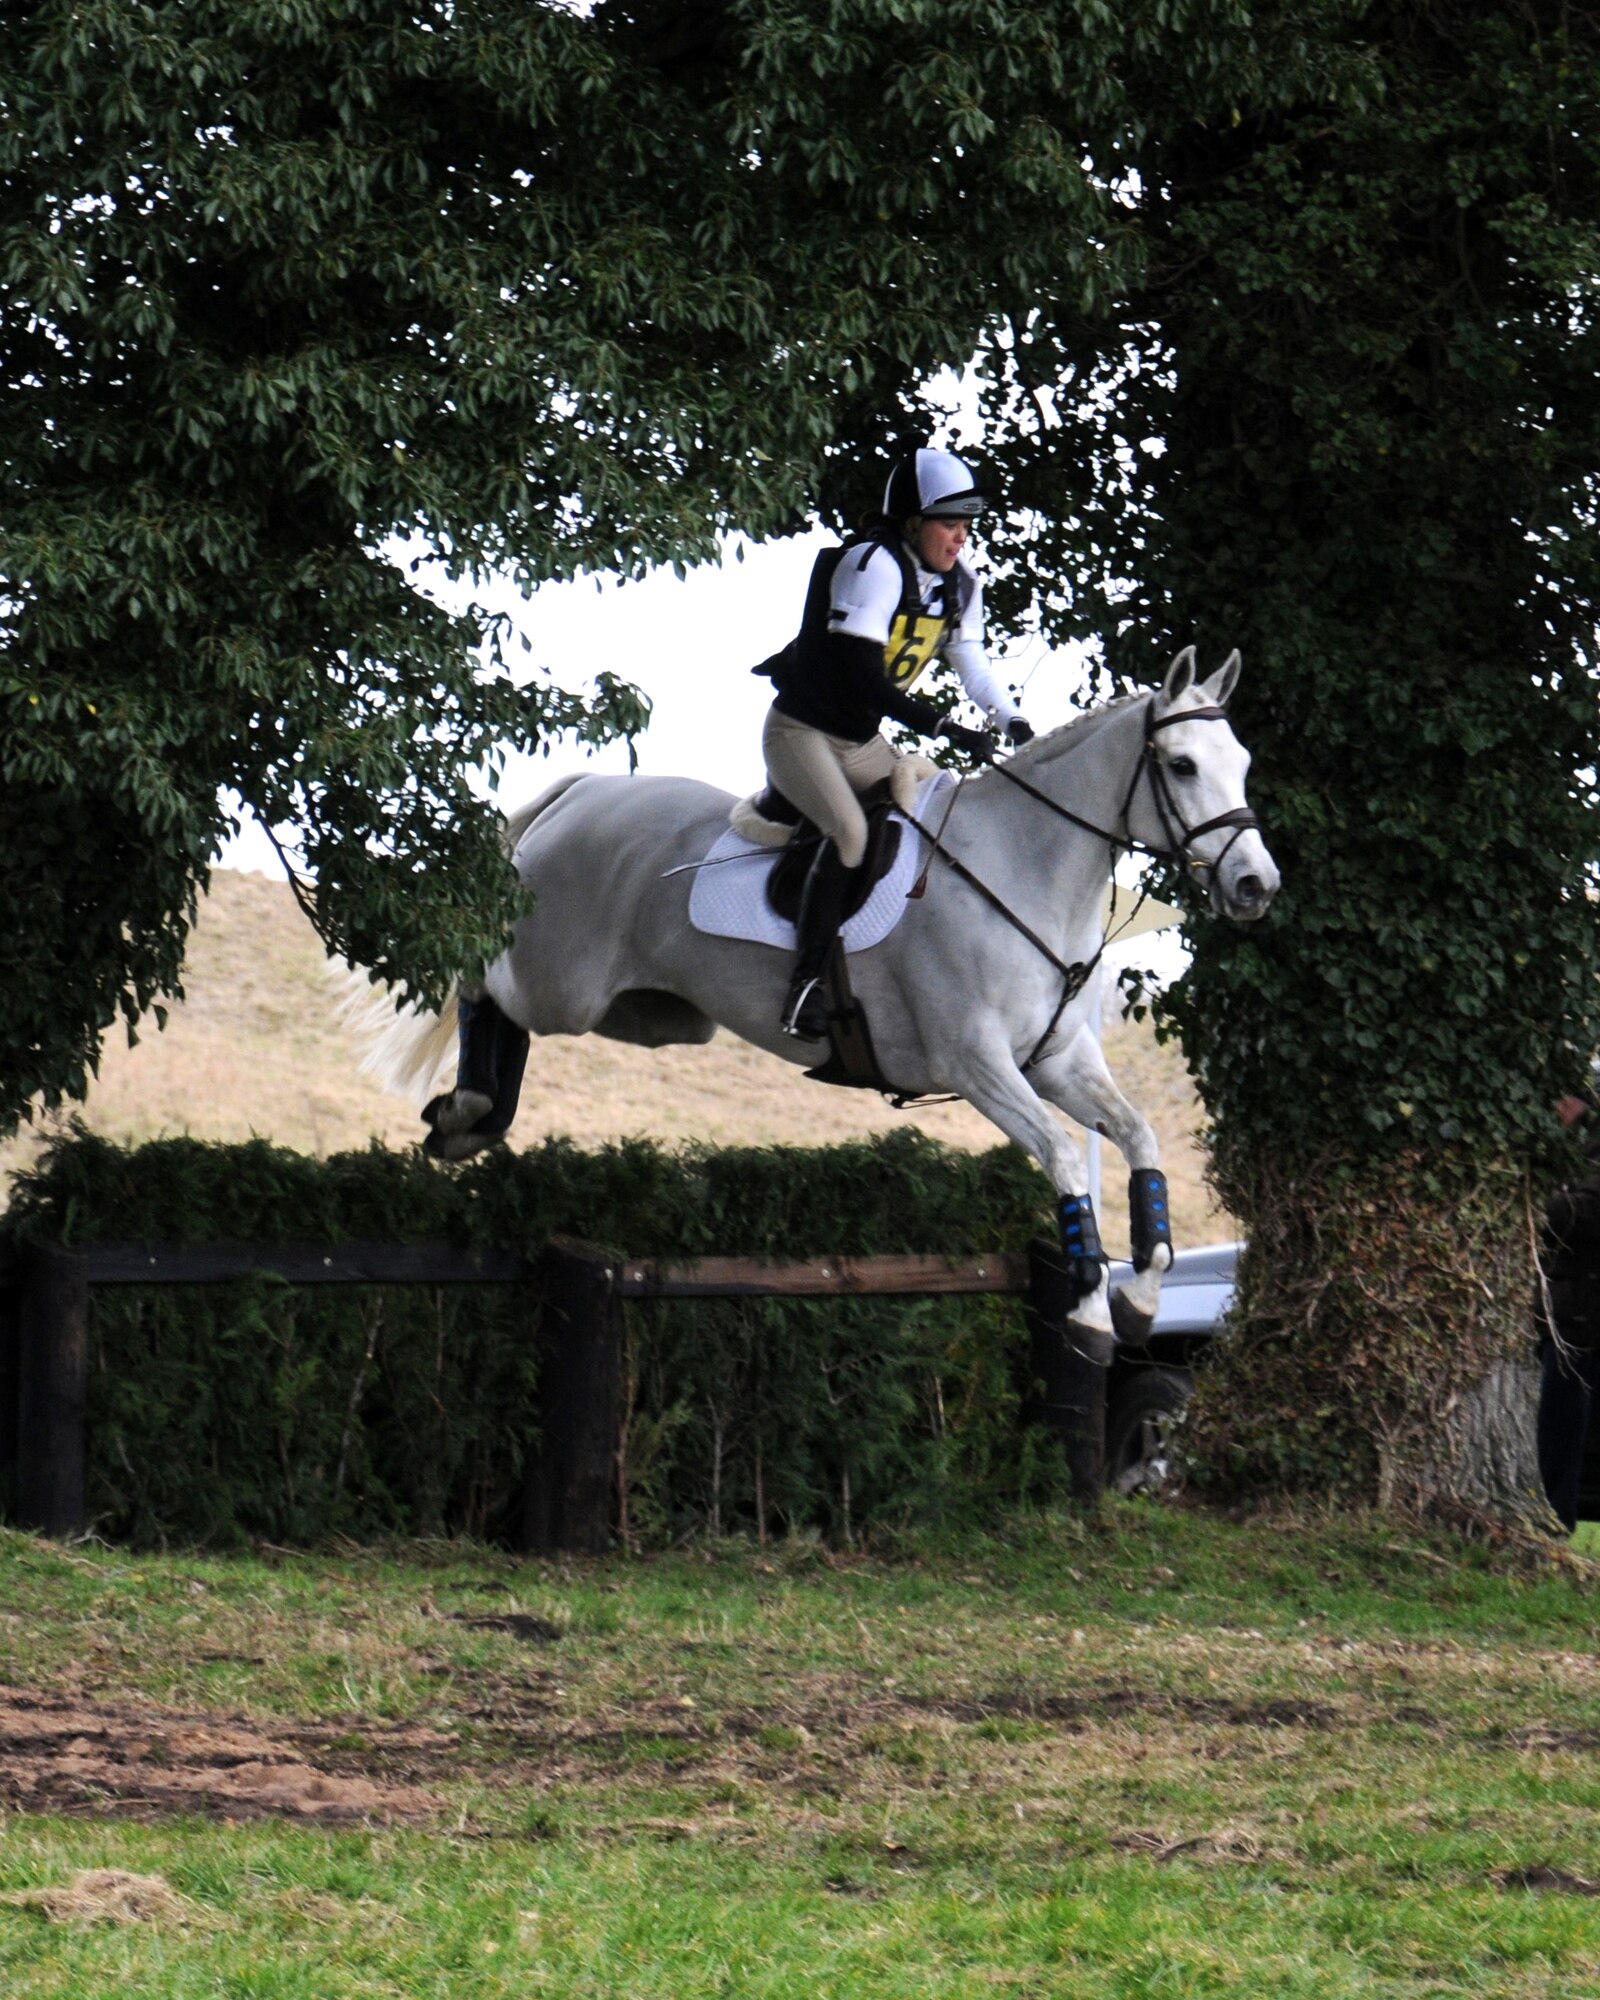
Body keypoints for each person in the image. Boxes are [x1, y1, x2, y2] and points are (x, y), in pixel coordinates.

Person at [751, 446, 1035, 1041]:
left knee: (938, 810)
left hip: (857, 743)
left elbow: (972, 664)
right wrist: (941, 726)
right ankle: (804, 986)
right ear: (912, 522)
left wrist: (1010, 718)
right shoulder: (871, 566)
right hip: (801, 734)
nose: (961, 538)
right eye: (949, 524)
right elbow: (863, 678)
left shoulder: (960, 586)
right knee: (852, 834)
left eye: (966, 526)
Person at [1535, 1081, 1600, 1532]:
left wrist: (1536, 1205)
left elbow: (1588, 1211)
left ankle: (1556, 1515)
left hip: (1584, 1313)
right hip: (1566, 1308)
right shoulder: (1571, 1147)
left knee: (1566, 1417)